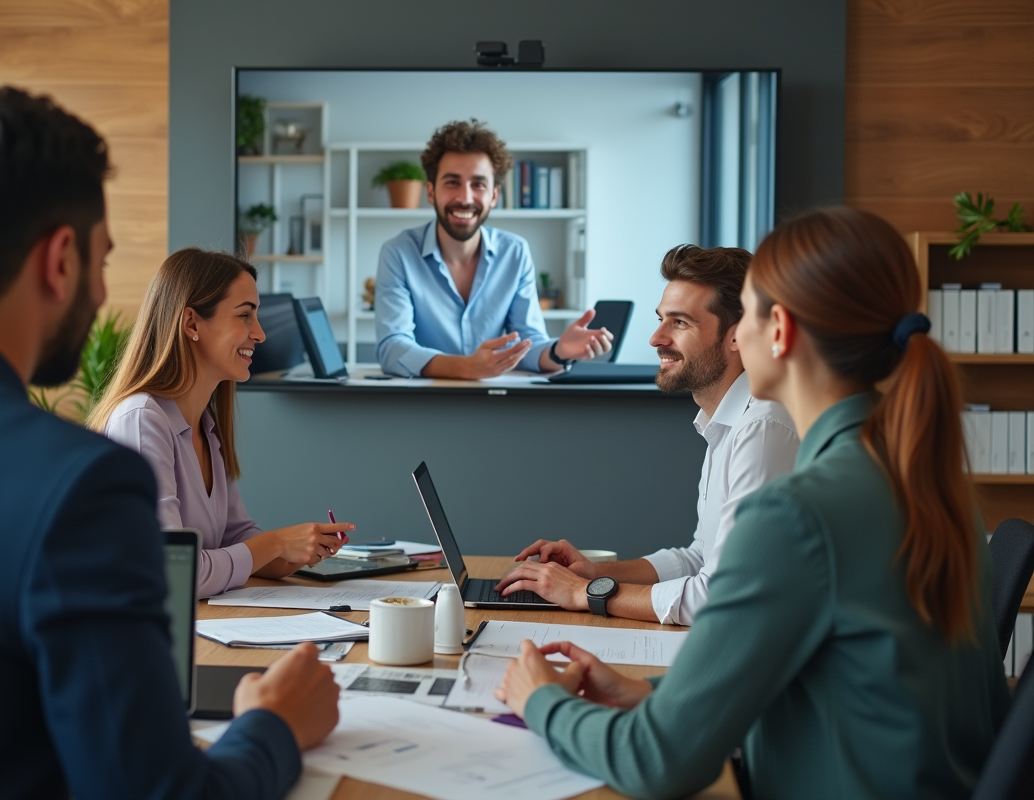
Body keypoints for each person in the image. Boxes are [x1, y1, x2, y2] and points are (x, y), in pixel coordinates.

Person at [0, 87, 339, 800]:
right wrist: (275, 727)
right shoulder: (79, 485)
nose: (103, 293)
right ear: (60, 259)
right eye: (103, 262)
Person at [495, 207, 1011, 799]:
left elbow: (657, 763)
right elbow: (839, 678)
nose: (737, 337)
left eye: (748, 319)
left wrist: (539, 701)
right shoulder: (926, 480)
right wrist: (656, 695)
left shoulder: (798, 511)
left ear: (779, 331)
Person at [496, 245, 798, 625]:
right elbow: (700, 557)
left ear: (737, 337)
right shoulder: (727, 419)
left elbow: (720, 596)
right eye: (660, 319)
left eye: (680, 323)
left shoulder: (762, 428)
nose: (656, 338)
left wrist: (582, 594)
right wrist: (594, 574)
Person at [89, 248, 353, 598]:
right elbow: (172, 570)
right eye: (245, 316)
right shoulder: (141, 420)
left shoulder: (206, 423)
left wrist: (295, 550)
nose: (259, 334)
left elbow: (236, 538)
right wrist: (274, 542)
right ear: (192, 324)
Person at [374, 119, 613, 378]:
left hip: (495, 403)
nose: (465, 198)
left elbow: (529, 343)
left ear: (494, 196)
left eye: (478, 184)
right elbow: (392, 348)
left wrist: (559, 351)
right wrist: (466, 367)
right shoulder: (398, 253)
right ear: (431, 192)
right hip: (422, 403)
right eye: (452, 182)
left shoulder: (515, 252)